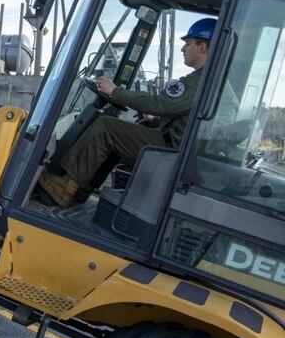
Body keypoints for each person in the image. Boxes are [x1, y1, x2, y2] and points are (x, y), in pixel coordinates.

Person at [38, 17, 217, 207]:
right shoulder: (207, 78)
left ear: (202, 47)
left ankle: (65, 187)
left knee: (107, 127)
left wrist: (114, 92)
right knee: (118, 136)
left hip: (174, 149)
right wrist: (155, 122)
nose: (183, 49)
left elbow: (158, 103)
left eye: (188, 44)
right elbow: (184, 115)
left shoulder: (200, 81)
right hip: (180, 146)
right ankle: (78, 191)